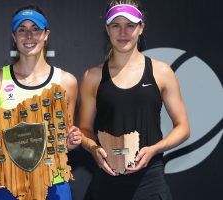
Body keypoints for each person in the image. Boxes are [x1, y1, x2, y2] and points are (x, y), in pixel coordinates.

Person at [80, 0, 190, 199]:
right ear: (107, 28)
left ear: (141, 28)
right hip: (106, 183)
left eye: (130, 25)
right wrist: (93, 148)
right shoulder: (93, 76)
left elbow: (183, 127)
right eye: (116, 25)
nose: (123, 32)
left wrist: (155, 149)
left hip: (150, 182)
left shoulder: (161, 71)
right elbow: (84, 129)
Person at [0, 5, 82, 200]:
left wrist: (71, 142)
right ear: (14, 37)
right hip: (6, 183)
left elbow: (65, 138)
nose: (29, 35)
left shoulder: (67, 82)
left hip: (53, 184)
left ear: (46, 34)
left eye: (35, 29)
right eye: (22, 29)